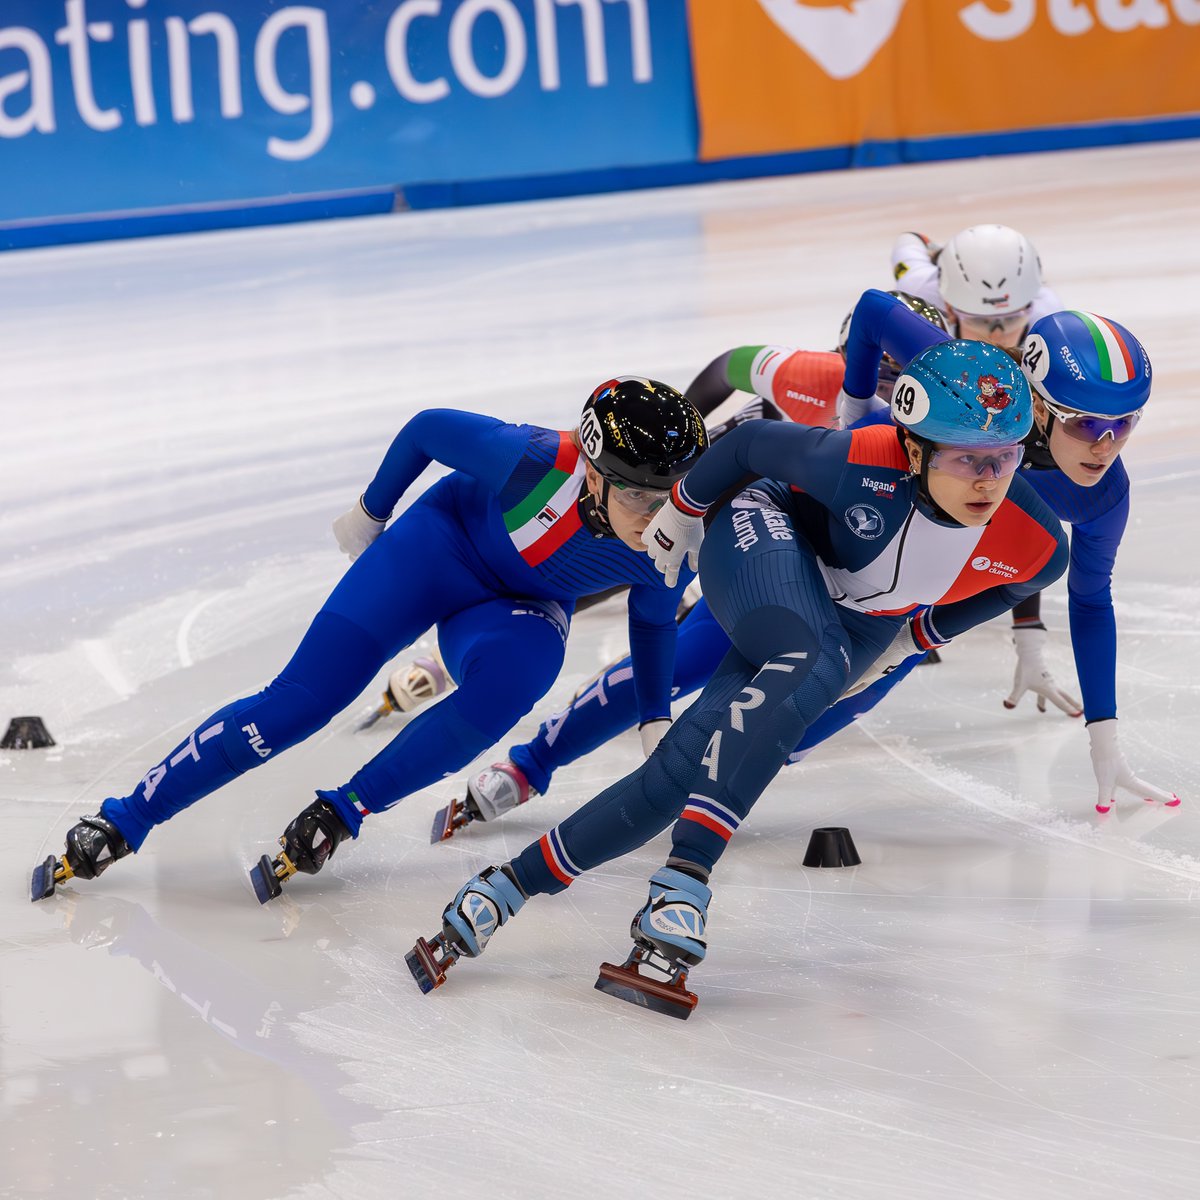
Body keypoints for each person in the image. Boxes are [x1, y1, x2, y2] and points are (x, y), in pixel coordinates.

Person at [407, 333, 1070, 1016]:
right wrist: (683, 508)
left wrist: (917, 634)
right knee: (813, 660)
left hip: (861, 617)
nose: (989, 479)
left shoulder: (1036, 537)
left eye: (1005, 457)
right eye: (967, 459)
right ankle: (684, 881)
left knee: (678, 774)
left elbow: (1032, 577)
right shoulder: (861, 459)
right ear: (914, 447)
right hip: (766, 528)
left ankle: (505, 887)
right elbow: (748, 446)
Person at [30, 378, 708, 904]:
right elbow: (428, 429)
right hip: (437, 550)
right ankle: (128, 817)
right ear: (593, 473)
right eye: (641, 498)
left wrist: (654, 716)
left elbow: (653, 622)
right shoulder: (535, 461)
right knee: (299, 704)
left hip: (520, 608)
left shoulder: (673, 534)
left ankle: (345, 809)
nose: (659, 516)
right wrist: (370, 510)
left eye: (673, 496)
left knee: (519, 679)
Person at [419, 295, 948, 841]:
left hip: (867, 607)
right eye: (881, 381)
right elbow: (725, 369)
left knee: (784, 733)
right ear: (847, 365)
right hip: (767, 550)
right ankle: (531, 763)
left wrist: (919, 636)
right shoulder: (811, 378)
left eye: (903, 387)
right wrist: (675, 460)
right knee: (671, 646)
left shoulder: (971, 459)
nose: (892, 400)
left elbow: (997, 571)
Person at [891, 223, 1062, 351]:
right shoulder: (920, 289)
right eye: (979, 321)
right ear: (949, 308)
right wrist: (942, 255)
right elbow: (911, 239)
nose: (996, 337)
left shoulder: (1049, 319)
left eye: (1012, 319)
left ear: (1030, 307)